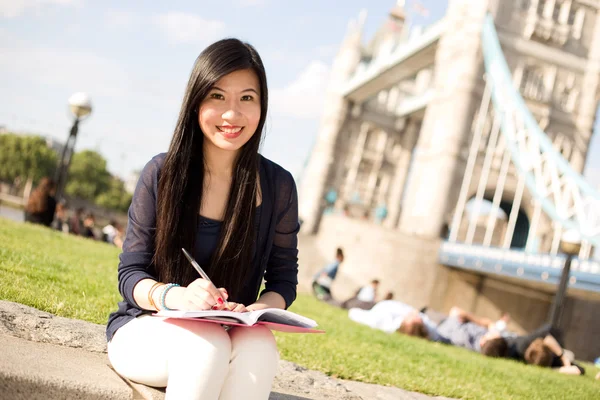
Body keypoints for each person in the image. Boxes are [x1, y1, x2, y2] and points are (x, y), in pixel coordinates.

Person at [106, 38, 299, 400]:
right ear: (196, 101)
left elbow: (284, 278)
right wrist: (175, 296)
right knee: (207, 342)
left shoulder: (279, 186)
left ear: (262, 106)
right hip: (147, 330)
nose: (232, 114)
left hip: (230, 334)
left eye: (247, 98)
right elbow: (130, 274)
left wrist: (254, 311)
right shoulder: (163, 173)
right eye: (217, 97)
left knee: (259, 343)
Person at [348, 300, 446, 342]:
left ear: (406, 324)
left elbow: (354, 313)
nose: (418, 316)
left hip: (371, 307)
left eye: (415, 319)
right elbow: (435, 334)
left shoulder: (385, 321)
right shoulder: (428, 327)